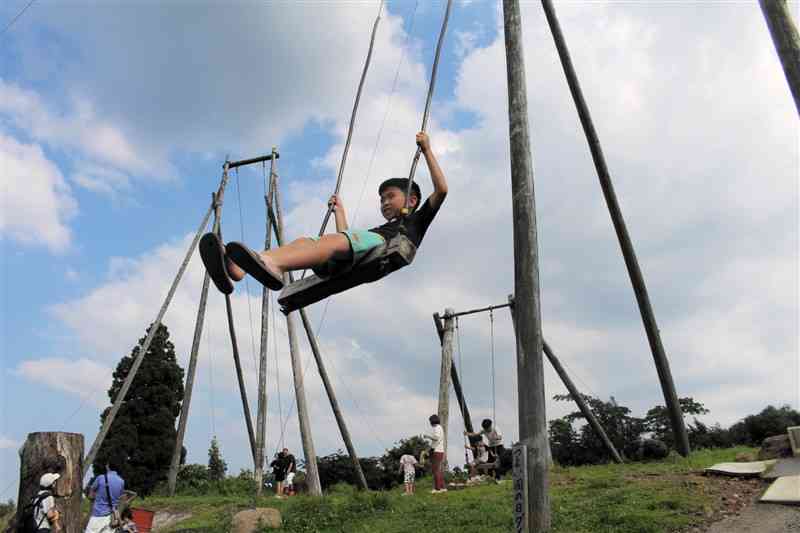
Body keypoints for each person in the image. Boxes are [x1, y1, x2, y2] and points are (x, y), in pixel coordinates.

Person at [199, 132, 448, 295]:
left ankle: (272, 263)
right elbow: (345, 239)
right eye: (381, 198)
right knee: (307, 242)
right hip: (345, 263)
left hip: (382, 252)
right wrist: (340, 211)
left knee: (337, 241)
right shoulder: (376, 233)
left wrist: (426, 149)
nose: (384, 202)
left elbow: (442, 190)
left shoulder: (415, 220)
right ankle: (242, 267)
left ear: (412, 200)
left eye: (390, 196)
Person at [84, 460, 125, 533]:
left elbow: (91, 495)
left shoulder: (101, 478)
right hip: (112, 518)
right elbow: (119, 497)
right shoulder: (121, 481)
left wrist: (93, 497)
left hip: (97, 515)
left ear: (107, 466)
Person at [423, 414, 447, 494]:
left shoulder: (437, 428)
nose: (430, 423)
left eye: (430, 421)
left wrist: (427, 436)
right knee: (437, 470)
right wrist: (428, 450)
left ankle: (437, 489)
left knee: (435, 470)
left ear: (432, 421)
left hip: (437, 451)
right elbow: (435, 442)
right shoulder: (439, 428)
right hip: (438, 450)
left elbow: (436, 438)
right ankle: (443, 487)